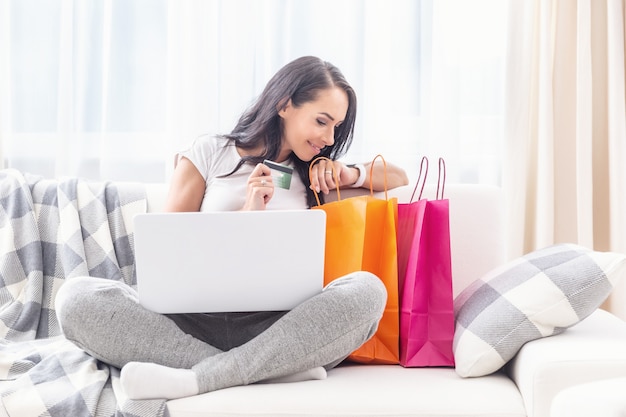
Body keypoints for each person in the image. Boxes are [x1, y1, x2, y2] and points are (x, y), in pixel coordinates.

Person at [55, 56, 409, 400]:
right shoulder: (210, 153)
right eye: (321, 121)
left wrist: (350, 174)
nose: (330, 138)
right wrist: (247, 215)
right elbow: (166, 251)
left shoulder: (313, 172)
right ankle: (270, 371)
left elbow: (398, 176)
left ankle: (196, 377)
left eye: (336, 126)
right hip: (190, 324)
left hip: (282, 327)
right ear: (285, 105)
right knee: (74, 299)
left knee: (368, 289)